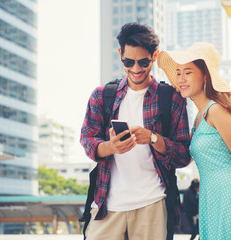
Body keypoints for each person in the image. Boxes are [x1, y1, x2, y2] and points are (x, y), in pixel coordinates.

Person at [80, 22, 191, 240]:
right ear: (120, 53)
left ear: (155, 56)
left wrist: (153, 138)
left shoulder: (171, 99)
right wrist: (110, 147)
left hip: (152, 204)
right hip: (107, 207)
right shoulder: (102, 96)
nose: (136, 69)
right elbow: (87, 141)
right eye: (128, 62)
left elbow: (184, 155)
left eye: (143, 62)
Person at [158, 42, 231, 240]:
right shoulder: (199, 116)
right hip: (211, 199)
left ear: (205, 76)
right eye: (178, 73)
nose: (181, 79)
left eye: (188, 72)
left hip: (229, 195)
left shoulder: (216, 110)